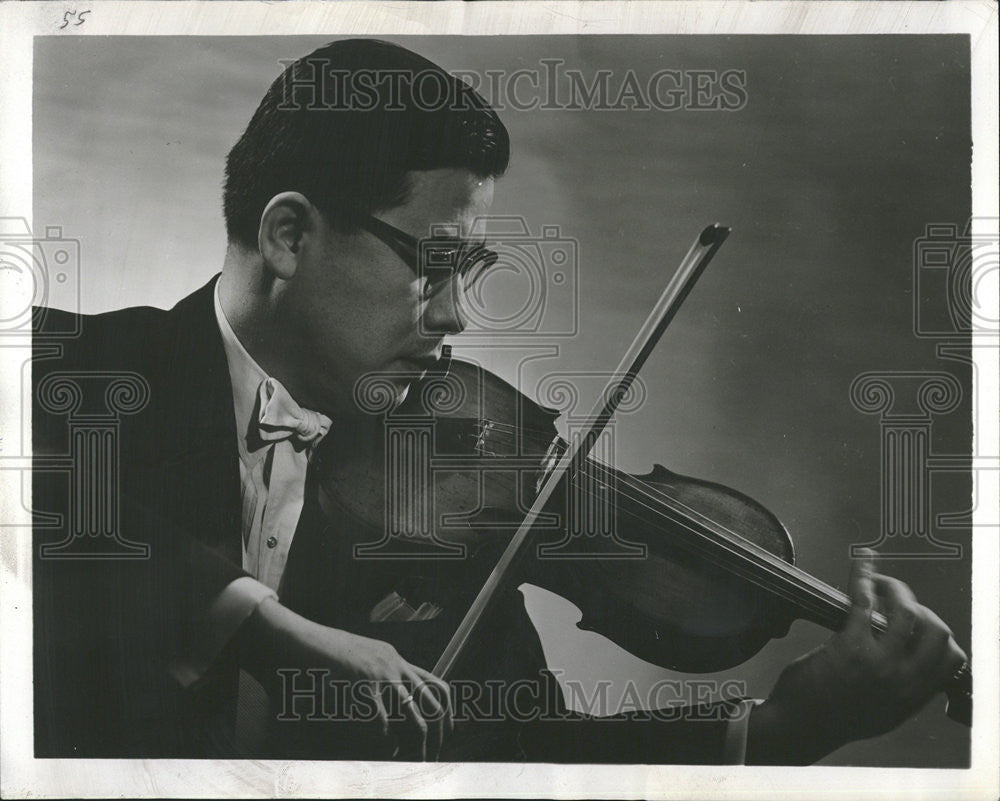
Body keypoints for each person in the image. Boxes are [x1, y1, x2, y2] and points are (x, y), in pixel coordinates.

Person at [32, 38, 966, 764]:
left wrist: (785, 727)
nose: (457, 316)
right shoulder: (67, 372)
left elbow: (527, 750)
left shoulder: (441, 498)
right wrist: (269, 627)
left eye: (469, 270)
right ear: (288, 234)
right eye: (433, 266)